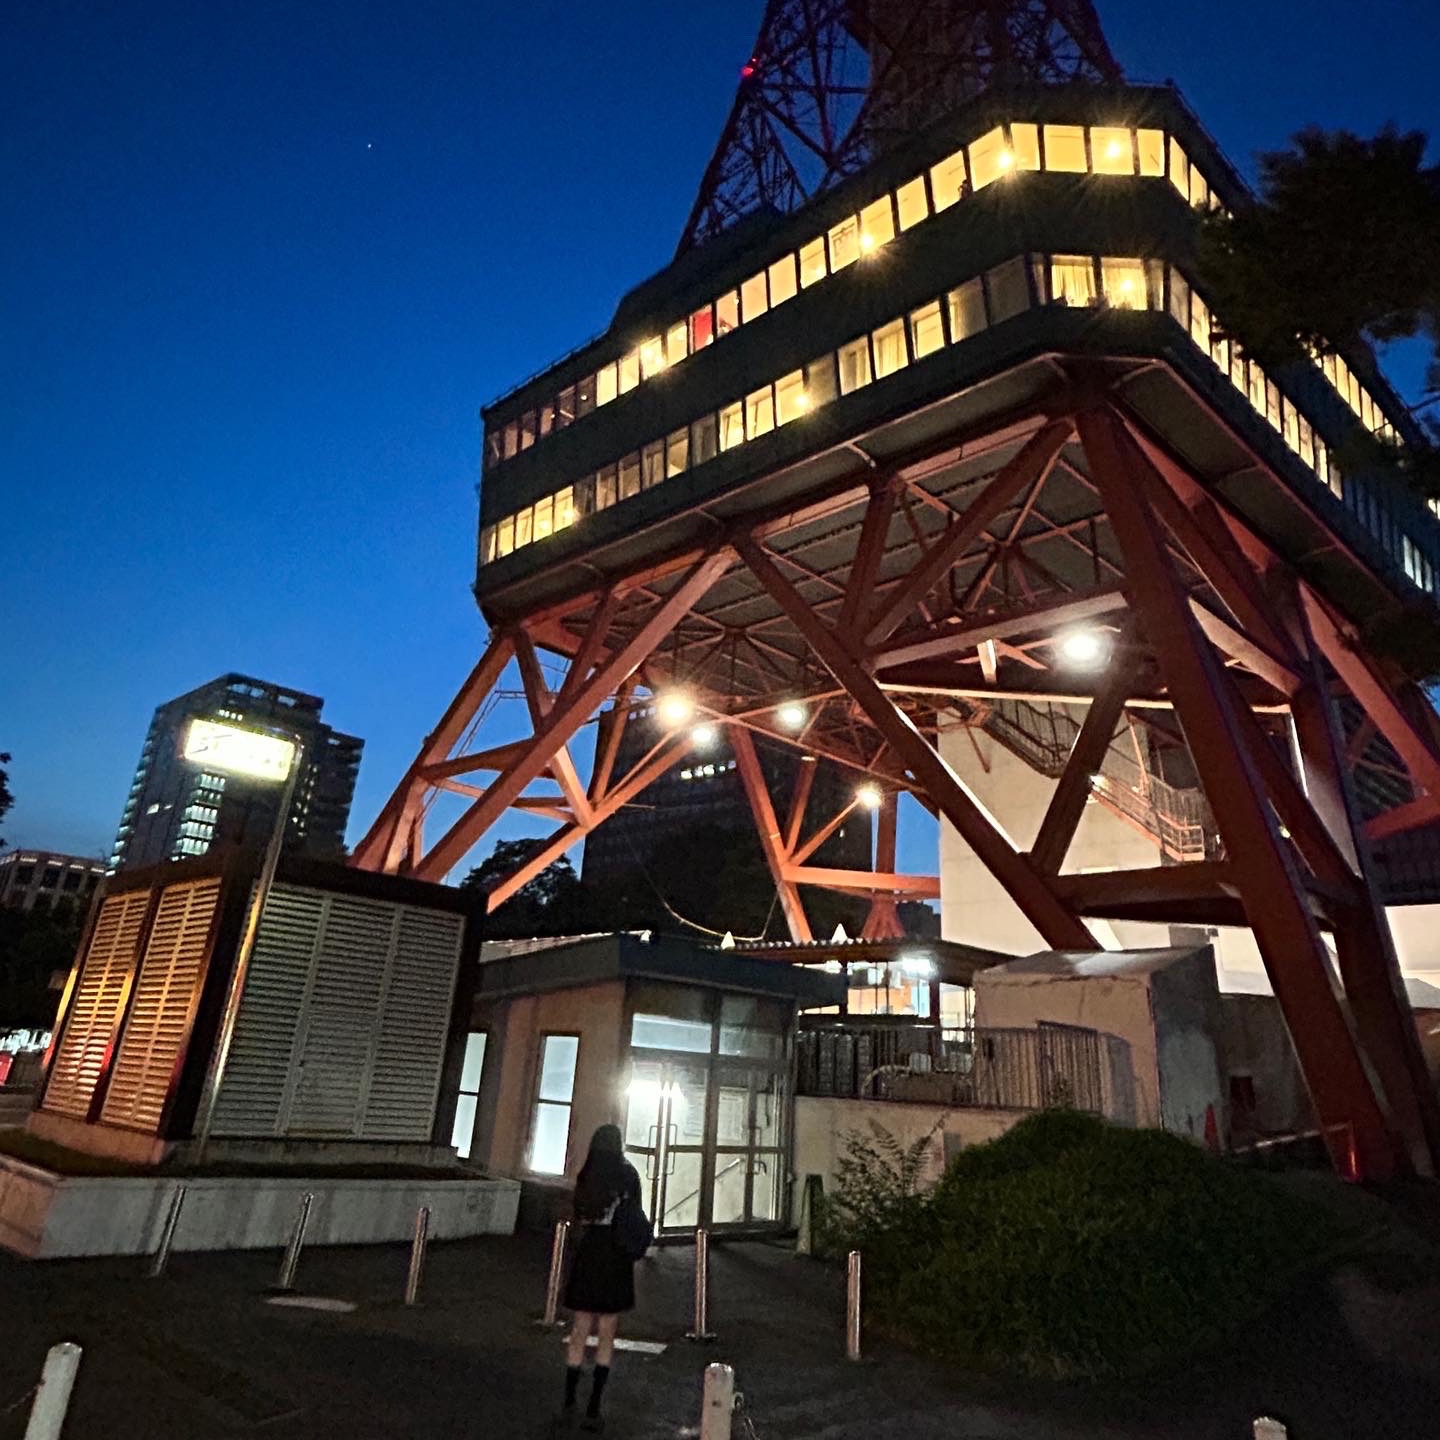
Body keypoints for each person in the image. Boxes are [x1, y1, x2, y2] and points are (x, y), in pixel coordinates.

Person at [559, 1123, 645, 1432]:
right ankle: (594, 1404)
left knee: (580, 1325)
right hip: (615, 1254)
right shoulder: (628, 1174)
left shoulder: (586, 1174)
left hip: (590, 1251)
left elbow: (579, 1211)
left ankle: (569, 1398)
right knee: (607, 1329)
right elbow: (635, 1213)